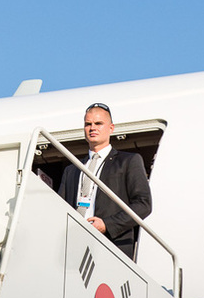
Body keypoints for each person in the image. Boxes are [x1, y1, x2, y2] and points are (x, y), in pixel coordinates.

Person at [58, 103, 152, 259]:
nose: (92, 128)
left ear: (111, 128)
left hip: (112, 247)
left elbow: (144, 204)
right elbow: (60, 208)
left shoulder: (128, 161)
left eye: (98, 123)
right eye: (88, 124)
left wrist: (107, 225)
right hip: (75, 247)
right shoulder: (72, 169)